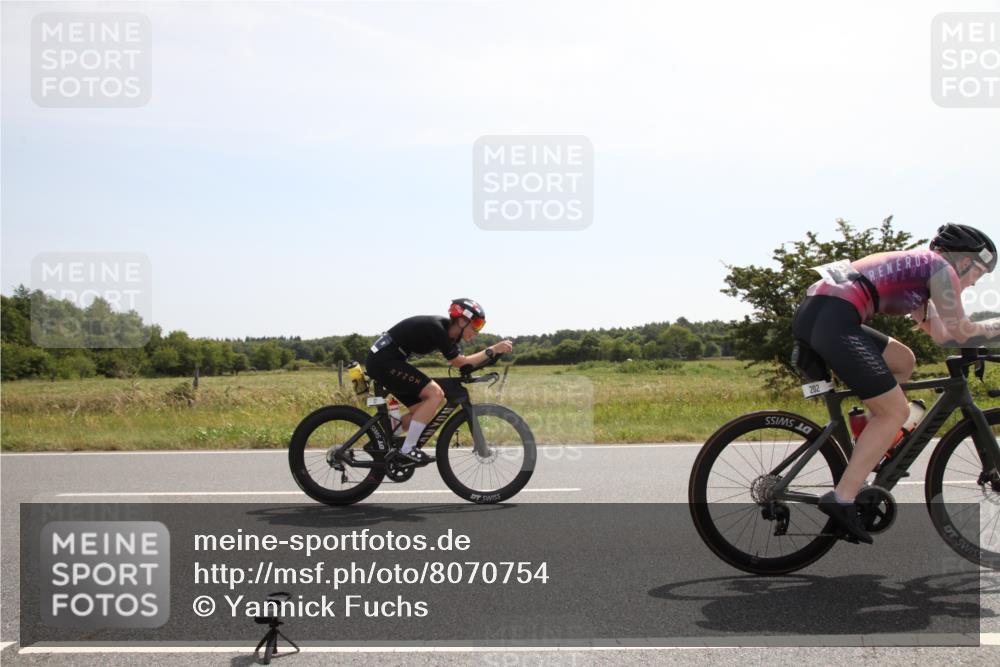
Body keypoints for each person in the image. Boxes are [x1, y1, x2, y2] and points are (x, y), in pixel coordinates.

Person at [792, 223, 998, 543]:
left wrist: (976, 338)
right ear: (965, 260)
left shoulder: (923, 270)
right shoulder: (940, 268)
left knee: (904, 361)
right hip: (834, 317)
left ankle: (870, 439)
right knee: (894, 412)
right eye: (979, 274)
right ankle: (843, 498)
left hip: (824, 311)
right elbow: (959, 330)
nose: (974, 283)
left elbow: (943, 334)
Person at [364, 298, 513, 466]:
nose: (477, 331)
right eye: (476, 324)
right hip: (384, 361)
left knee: (422, 409)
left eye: (481, 326)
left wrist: (491, 357)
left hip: (388, 360)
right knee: (435, 394)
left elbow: (464, 364)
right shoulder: (438, 328)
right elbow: (460, 362)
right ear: (462, 320)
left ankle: (382, 438)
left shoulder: (450, 335)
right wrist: (492, 349)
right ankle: (408, 449)